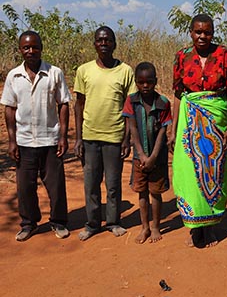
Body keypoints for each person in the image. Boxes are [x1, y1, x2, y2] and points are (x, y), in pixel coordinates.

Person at [169, 13, 227, 248]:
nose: (202, 36)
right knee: (189, 173)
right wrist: (173, 128)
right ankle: (195, 227)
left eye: (207, 32)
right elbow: (178, 95)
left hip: (216, 121)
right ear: (190, 32)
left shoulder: (224, 54)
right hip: (189, 121)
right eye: (198, 32)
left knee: (213, 172)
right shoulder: (182, 56)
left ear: (213, 32)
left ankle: (210, 226)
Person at [1, 31, 71, 241]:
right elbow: (9, 109)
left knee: (56, 186)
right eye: (26, 47)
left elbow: (64, 104)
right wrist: (12, 140)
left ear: (41, 48)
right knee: (25, 187)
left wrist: (63, 136)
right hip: (24, 141)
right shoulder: (14, 76)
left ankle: (58, 222)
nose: (31, 51)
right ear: (20, 49)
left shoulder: (54, 73)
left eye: (35, 47)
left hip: (50, 139)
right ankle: (29, 224)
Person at [74, 26, 136, 241]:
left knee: (112, 184)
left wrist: (127, 139)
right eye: (100, 40)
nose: (103, 44)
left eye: (108, 40)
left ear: (114, 44)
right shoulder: (84, 70)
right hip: (90, 136)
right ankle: (92, 224)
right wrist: (78, 138)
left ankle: (113, 222)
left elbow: (130, 108)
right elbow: (78, 105)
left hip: (114, 136)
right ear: (94, 44)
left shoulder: (125, 71)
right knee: (91, 183)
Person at [122, 62, 172, 244]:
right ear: (136, 82)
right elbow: (133, 128)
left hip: (157, 158)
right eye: (141, 82)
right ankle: (145, 227)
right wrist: (142, 156)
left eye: (149, 82)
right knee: (141, 192)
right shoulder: (131, 101)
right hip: (139, 157)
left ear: (155, 81)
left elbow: (162, 132)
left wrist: (152, 157)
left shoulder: (163, 102)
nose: (145, 86)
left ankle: (156, 226)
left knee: (156, 192)